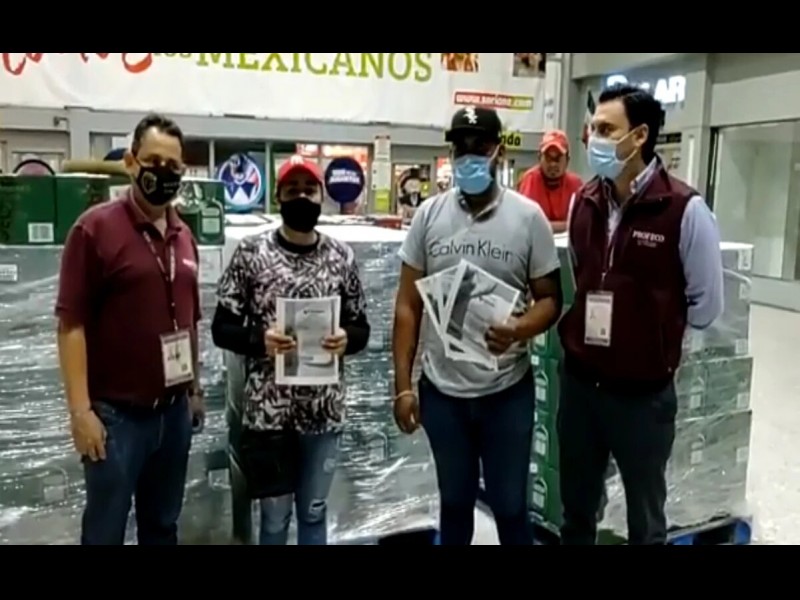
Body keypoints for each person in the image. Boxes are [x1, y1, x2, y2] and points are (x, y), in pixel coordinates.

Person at [557, 84, 724, 545]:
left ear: (640, 136)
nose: (593, 139)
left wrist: (652, 334)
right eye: (592, 129)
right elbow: (580, 272)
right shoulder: (583, 201)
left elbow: (706, 305)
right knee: (576, 513)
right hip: (580, 387)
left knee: (645, 520)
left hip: (642, 397)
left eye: (606, 129)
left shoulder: (684, 210)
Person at [392, 106, 563, 545]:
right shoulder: (428, 216)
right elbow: (408, 305)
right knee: (454, 505)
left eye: (480, 147)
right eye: (461, 148)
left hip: (506, 393)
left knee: (510, 507)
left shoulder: (528, 218)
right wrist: (403, 386)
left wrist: (519, 328)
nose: (469, 156)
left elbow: (550, 299)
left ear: (498, 152)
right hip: (442, 394)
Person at [55, 113, 205, 545]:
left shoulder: (183, 235)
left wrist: (194, 390)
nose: (163, 172)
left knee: (162, 526)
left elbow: (190, 319)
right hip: (118, 419)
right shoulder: (95, 229)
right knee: (105, 531)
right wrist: (81, 413)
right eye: (153, 161)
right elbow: (70, 324)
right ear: (130, 162)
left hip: (173, 414)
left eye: (173, 165)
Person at [212, 155, 370, 545]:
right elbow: (221, 328)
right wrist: (258, 340)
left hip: (323, 412)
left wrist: (347, 339)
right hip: (269, 415)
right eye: (292, 190)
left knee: (314, 512)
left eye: (309, 190)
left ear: (321, 196)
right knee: (274, 518)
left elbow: (361, 327)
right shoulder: (251, 254)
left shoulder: (340, 256)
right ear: (278, 197)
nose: (302, 197)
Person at [517, 130, 583, 233]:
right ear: (539, 158)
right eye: (548, 158)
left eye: (558, 158)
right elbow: (527, 224)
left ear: (567, 160)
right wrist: (567, 225)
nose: (553, 164)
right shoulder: (530, 180)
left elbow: (582, 224)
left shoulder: (576, 184)